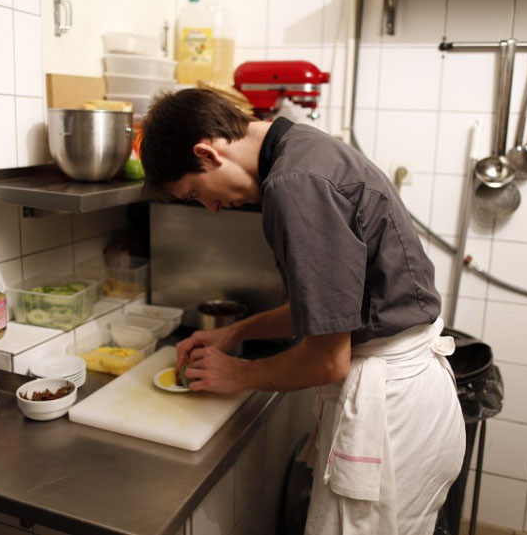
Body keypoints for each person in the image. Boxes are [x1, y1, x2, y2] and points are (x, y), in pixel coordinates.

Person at [140, 88, 464, 535]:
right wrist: (234, 334)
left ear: (207, 153)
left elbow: (327, 360)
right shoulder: (304, 148)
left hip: (392, 411)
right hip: (411, 395)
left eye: (195, 193)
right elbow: (329, 305)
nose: (211, 208)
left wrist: (235, 375)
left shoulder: (294, 183)